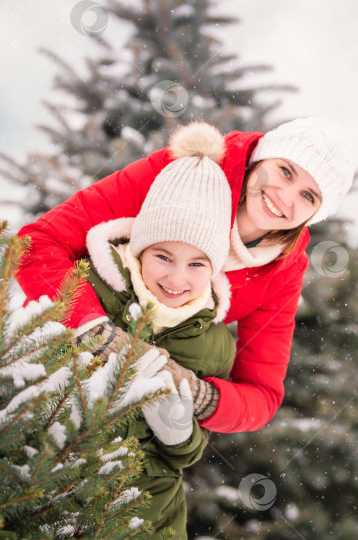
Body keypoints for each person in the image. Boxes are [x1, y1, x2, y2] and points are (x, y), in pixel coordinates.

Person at [15, 116, 354, 435]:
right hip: (54, 362)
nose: (285, 196)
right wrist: (92, 328)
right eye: (285, 171)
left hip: (134, 412)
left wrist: (199, 396)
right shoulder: (180, 172)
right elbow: (36, 243)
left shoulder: (283, 267)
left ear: (315, 214)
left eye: (308, 196)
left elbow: (262, 394)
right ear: (261, 158)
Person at [74, 121, 235, 538]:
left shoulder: (215, 344)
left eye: (197, 264)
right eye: (163, 256)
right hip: (61, 494)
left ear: (214, 269)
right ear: (139, 247)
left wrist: (179, 434)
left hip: (148, 517)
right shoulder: (92, 290)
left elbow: (187, 455)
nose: (177, 278)